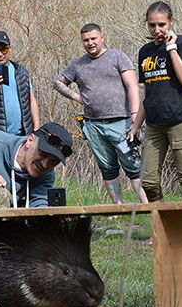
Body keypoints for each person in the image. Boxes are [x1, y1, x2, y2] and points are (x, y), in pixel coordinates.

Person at [53, 23, 147, 204]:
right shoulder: (78, 65)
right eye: (86, 40)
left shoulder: (118, 57)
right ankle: (118, 208)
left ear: (102, 38)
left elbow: (132, 85)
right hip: (94, 125)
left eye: (93, 39)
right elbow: (58, 83)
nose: (90, 43)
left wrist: (136, 115)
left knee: (133, 165)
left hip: (123, 122)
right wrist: (76, 96)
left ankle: (148, 208)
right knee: (107, 168)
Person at [127, 1, 182, 202]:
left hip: (180, 120)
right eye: (152, 25)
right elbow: (147, 94)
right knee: (149, 182)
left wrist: (171, 48)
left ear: (171, 22)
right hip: (154, 125)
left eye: (161, 24)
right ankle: (164, 226)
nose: (157, 30)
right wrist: (135, 127)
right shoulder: (145, 52)